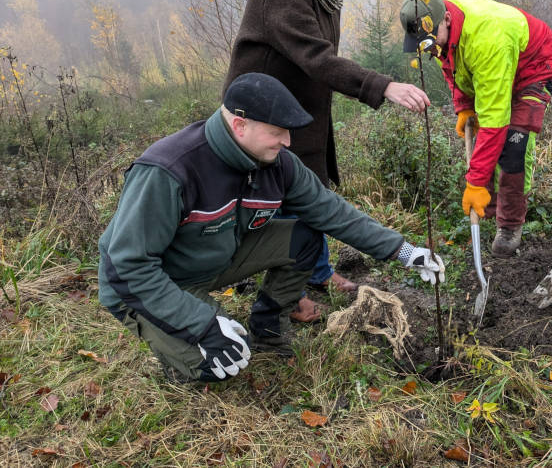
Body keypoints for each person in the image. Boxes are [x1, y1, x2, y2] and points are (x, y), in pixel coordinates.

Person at [97, 73, 445, 383]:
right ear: (240, 126)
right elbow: (129, 267)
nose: (288, 142)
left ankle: (267, 325)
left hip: (216, 262)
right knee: (220, 362)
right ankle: (180, 358)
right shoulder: (169, 170)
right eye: (277, 133)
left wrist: (403, 251)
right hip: (147, 286)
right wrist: (202, 324)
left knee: (306, 237)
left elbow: (332, 211)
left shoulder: (276, 163)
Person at [223, 0, 431, 322]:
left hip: (304, 110)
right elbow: (315, 56)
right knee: (285, 207)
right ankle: (288, 294)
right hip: (266, 115)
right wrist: (382, 86)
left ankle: (317, 271)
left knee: (313, 192)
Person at [399, 0, 552, 257]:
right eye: (423, 44)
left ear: (448, 19)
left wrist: (474, 183)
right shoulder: (438, 21)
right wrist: (463, 106)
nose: (430, 48)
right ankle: (488, 209)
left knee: (513, 145)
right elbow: (453, 65)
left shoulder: (487, 40)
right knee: (486, 141)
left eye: (430, 41)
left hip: (534, 67)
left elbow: (495, 123)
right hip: (498, 65)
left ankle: (510, 225)